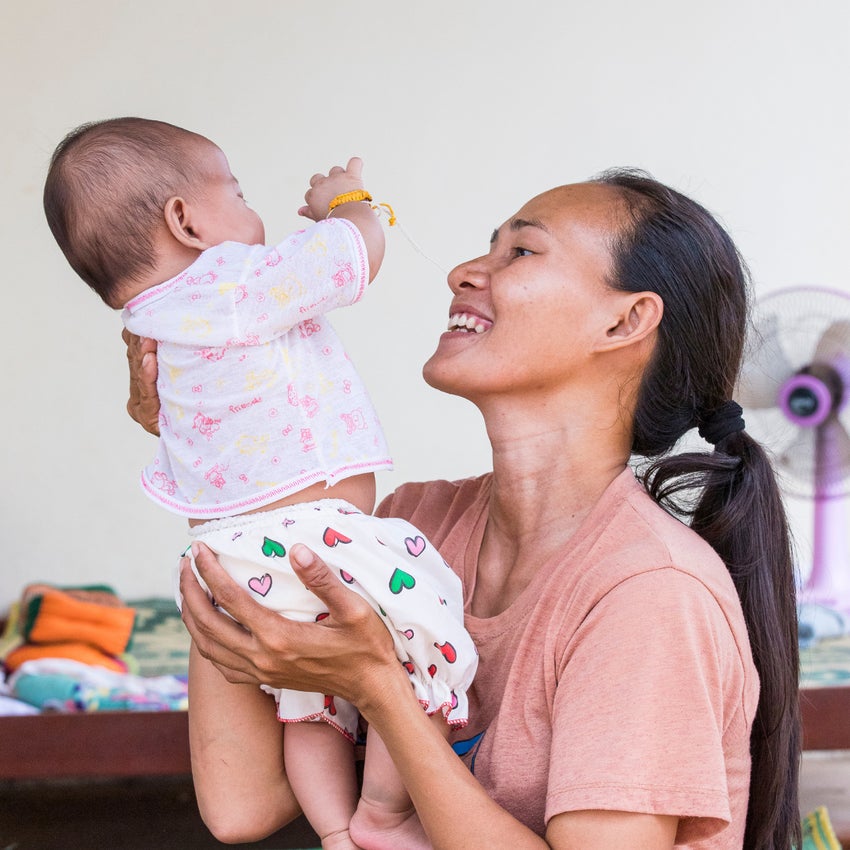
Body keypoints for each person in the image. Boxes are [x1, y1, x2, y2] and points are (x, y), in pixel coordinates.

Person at [126, 169, 801, 850]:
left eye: (522, 252)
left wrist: (380, 687)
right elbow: (241, 802)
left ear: (625, 320)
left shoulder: (651, 592)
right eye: (489, 247)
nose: (462, 272)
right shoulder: (411, 528)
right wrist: (217, 475)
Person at [44, 117, 477, 850]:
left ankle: (338, 830)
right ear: (184, 221)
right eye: (237, 192)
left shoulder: (154, 323)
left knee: (305, 703)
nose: (257, 215)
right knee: (428, 636)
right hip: (310, 539)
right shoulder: (229, 283)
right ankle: (381, 810)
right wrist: (351, 202)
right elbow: (349, 259)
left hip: (235, 554)